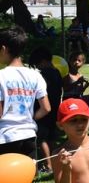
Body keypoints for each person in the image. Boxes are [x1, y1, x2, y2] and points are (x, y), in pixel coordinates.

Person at [0, 27, 50, 183]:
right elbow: (46, 107)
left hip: (5, 135)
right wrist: (29, 118)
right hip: (28, 135)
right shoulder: (35, 75)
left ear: (3, 49)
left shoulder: (1, 76)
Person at [29, 46, 62, 176]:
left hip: (42, 108)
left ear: (42, 61)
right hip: (54, 108)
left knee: (41, 138)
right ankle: (53, 163)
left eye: (37, 63)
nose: (37, 66)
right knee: (51, 137)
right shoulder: (57, 72)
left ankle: (47, 165)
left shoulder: (42, 74)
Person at [62, 52, 89, 118]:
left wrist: (85, 87)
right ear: (69, 61)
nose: (77, 62)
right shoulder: (67, 75)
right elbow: (66, 89)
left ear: (83, 63)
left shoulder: (80, 75)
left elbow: (80, 91)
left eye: (79, 60)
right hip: (69, 101)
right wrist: (77, 82)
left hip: (78, 99)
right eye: (74, 60)